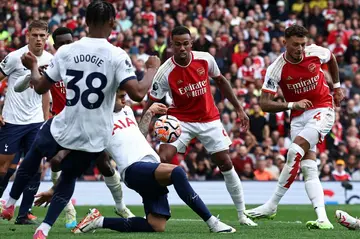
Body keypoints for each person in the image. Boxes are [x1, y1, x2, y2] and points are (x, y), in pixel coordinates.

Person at [0, 1, 160, 238]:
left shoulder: (66, 51)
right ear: (112, 23)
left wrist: (34, 67)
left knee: (35, 152)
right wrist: (151, 69)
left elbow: (41, 87)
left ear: (85, 22)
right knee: (69, 176)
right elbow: (137, 93)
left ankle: (10, 201)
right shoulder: (117, 54)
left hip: (66, 124)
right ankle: (43, 229)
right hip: (95, 133)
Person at [35, 89, 236, 234]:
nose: (126, 100)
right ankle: (212, 222)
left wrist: (148, 114)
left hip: (150, 165)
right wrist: (55, 189)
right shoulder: (98, 121)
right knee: (177, 172)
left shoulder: (128, 111)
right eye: (121, 97)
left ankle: (99, 221)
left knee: (156, 226)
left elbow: (137, 135)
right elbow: (79, 156)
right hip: (133, 169)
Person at [144, 26, 256, 226]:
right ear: (172, 45)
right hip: (180, 121)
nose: (182, 48)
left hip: (209, 118)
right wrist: (144, 125)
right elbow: (150, 101)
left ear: (191, 43)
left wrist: (239, 108)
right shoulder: (164, 73)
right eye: (177, 44)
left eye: (186, 43)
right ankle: (158, 209)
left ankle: (242, 214)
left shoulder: (205, 59)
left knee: (225, 162)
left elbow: (221, 81)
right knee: (163, 159)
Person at [244, 25, 344, 230]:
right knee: (309, 168)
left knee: (294, 150)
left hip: (323, 109)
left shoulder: (315, 52)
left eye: (303, 44)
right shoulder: (276, 68)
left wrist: (337, 87)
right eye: (295, 45)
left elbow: (331, 57)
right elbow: (264, 103)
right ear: (284, 43)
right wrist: (291, 105)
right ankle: (323, 219)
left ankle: (271, 205)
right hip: (298, 117)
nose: (300, 49)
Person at [0, 20, 52, 224]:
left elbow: (46, 91)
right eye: (35, 35)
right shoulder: (15, 57)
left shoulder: (51, 59)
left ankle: (24, 214)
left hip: (35, 122)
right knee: (4, 168)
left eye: (42, 35)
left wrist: (46, 118)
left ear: (47, 36)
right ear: (27, 35)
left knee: (35, 167)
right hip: (12, 120)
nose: (38, 39)